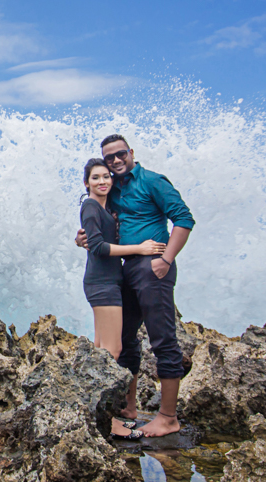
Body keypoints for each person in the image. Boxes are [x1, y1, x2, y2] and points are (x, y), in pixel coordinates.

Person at [76, 135, 195, 438]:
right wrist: (82, 237)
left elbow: (184, 219)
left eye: (120, 155)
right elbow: (98, 222)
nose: (115, 162)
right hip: (126, 270)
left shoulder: (152, 182)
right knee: (126, 340)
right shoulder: (113, 188)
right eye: (109, 158)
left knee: (162, 339)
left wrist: (165, 259)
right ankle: (128, 407)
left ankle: (168, 417)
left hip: (153, 267)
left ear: (131, 153)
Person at [79, 158, 166, 440]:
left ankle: (92, 414)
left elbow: (92, 239)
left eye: (106, 177)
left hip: (107, 282)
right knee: (112, 351)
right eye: (96, 178)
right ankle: (106, 421)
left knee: (100, 350)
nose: (102, 181)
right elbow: (100, 248)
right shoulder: (90, 206)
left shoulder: (105, 208)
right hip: (102, 284)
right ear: (86, 183)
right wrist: (140, 249)